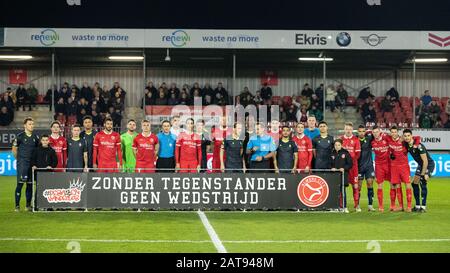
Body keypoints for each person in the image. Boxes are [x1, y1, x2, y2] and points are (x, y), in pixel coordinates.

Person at [403, 129, 435, 213]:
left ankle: (423, 207)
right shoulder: (407, 145)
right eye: (405, 136)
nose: (406, 137)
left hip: (428, 165)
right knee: (414, 184)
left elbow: (425, 161)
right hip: (421, 165)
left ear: (411, 136)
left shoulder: (419, 146)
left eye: (408, 135)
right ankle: (417, 206)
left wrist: (423, 173)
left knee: (423, 182)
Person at [12, 118, 39, 211]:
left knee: (30, 184)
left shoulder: (36, 137)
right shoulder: (19, 136)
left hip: (32, 165)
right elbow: (14, 150)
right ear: (25, 125)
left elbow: (37, 151)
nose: (32, 126)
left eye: (32, 124)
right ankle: (17, 206)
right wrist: (19, 160)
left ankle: (28, 205)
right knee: (20, 184)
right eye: (30, 124)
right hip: (22, 164)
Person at [387, 126, 412, 212]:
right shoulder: (389, 140)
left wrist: (415, 144)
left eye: (395, 132)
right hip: (394, 166)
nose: (394, 133)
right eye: (392, 132)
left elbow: (416, 138)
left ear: (398, 132)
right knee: (397, 185)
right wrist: (391, 153)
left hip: (404, 166)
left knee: (407, 184)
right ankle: (401, 206)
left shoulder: (403, 140)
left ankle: (409, 206)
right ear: (390, 133)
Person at [340, 122, 361, 212]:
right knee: (342, 186)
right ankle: (343, 206)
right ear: (344, 129)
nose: (348, 131)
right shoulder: (340, 139)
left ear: (352, 130)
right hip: (343, 167)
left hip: (353, 167)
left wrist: (350, 162)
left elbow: (358, 154)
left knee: (355, 186)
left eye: (350, 129)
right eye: (346, 129)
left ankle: (356, 206)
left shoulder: (356, 140)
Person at [331, 139, 353, 213]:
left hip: (343, 175)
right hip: (334, 176)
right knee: (335, 192)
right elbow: (328, 163)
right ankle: (335, 207)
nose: (337, 146)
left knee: (343, 191)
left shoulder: (345, 153)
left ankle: (345, 207)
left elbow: (350, 164)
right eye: (336, 145)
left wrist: (344, 168)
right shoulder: (331, 153)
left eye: (338, 145)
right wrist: (331, 168)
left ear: (341, 145)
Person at [356, 125, 376, 211]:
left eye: (363, 131)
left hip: (369, 166)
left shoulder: (369, 138)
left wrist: (370, 131)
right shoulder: (355, 140)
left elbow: (377, 133)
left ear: (365, 132)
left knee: (370, 183)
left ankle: (370, 205)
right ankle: (357, 205)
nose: (361, 133)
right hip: (359, 166)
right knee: (359, 186)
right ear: (357, 132)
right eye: (360, 131)